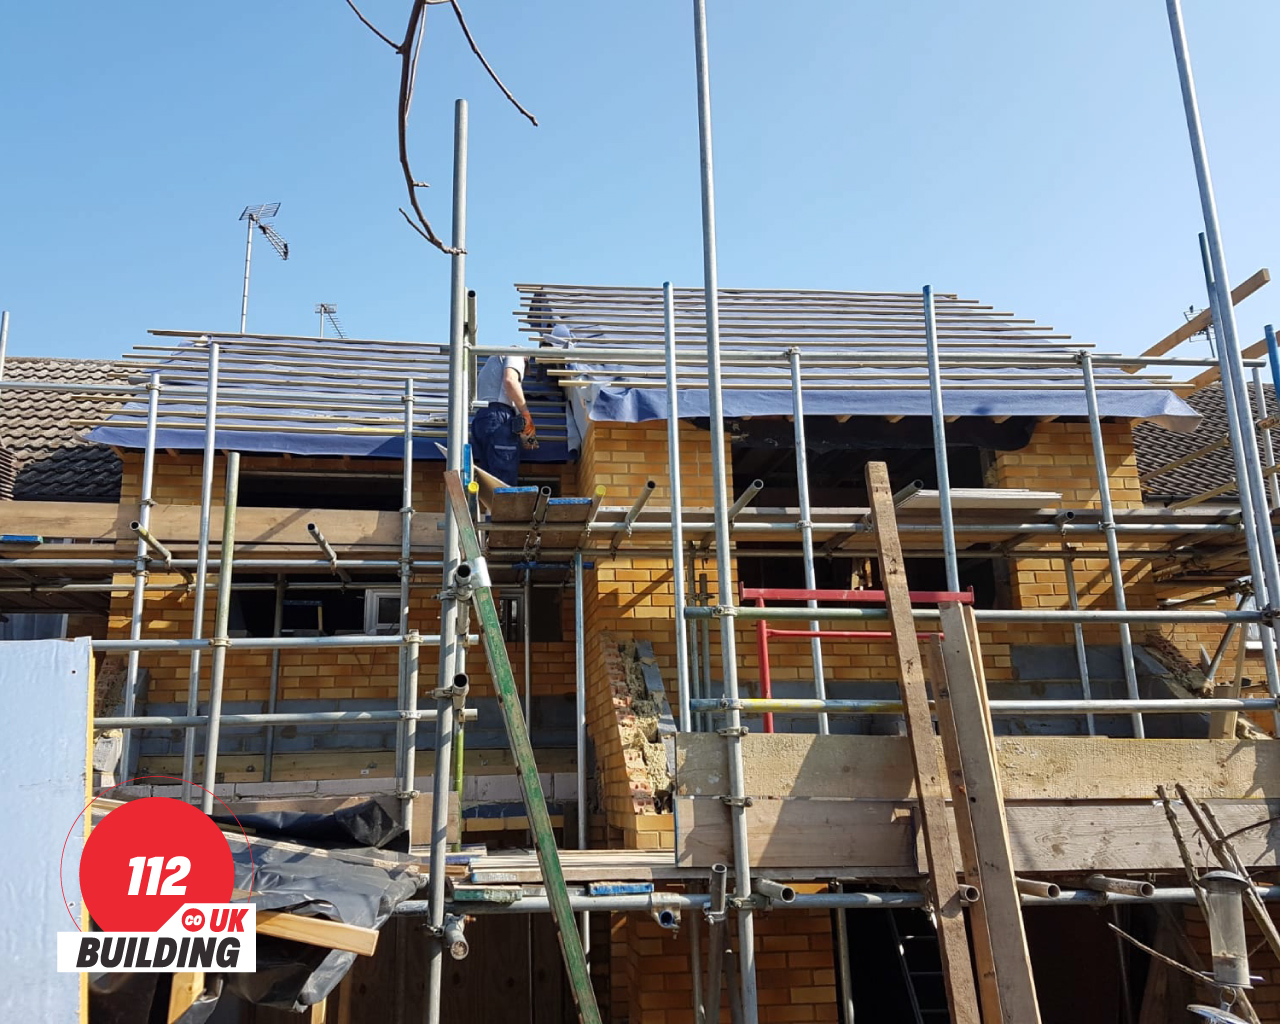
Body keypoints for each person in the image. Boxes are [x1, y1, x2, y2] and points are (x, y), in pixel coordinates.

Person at [470, 351, 538, 483]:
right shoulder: (516, 354)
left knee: (491, 483)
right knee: (503, 482)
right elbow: (510, 381)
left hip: (481, 419)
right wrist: (525, 414)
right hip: (499, 419)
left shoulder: (490, 365)